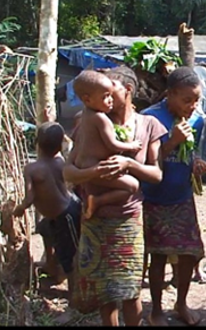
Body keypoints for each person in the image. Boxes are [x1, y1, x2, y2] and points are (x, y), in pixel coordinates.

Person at [64, 66, 166, 327]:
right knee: (104, 292)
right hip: (95, 219)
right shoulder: (88, 120)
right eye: (103, 92)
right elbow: (69, 170)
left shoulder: (148, 125)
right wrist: (93, 172)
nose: (107, 96)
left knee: (130, 290)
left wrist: (128, 164)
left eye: (112, 90)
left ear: (127, 90)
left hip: (128, 220)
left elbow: (156, 175)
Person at [140, 66, 206, 326]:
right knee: (158, 256)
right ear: (169, 94)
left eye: (196, 100)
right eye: (186, 100)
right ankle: (156, 310)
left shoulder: (197, 119)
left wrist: (198, 164)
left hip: (182, 197)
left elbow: (190, 154)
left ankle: (181, 303)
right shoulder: (148, 119)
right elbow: (142, 162)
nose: (192, 106)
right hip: (154, 199)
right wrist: (171, 141)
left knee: (189, 254)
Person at [13, 121, 82, 300]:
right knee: (45, 230)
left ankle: (74, 300)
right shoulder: (59, 161)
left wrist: (18, 210)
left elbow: (29, 199)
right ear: (59, 145)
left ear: (36, 143)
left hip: (66, 215)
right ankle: (53, 270)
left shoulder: (32, 169)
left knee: (70, 258)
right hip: (66, 209)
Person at [71, 70, 143, 219]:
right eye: (105, 97)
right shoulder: (100, 118)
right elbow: (112, 144)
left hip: (83, 165)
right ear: (88, 100)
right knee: (133, 186)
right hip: (96, 169)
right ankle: (97, 201)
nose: (111, 100)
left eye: (111, 95)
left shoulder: (84, 114)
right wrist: (132, 146)